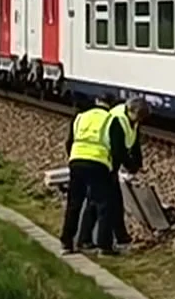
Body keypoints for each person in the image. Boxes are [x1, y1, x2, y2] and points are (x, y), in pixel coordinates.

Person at [59, 96, 133, 256]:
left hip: (76, 162)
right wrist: (117, 167)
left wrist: (74, 158)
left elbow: (69, 142)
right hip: (98, 164)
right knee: (103, 205)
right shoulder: (111, 120)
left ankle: (66, 242)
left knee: (74, 204)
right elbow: (117, 149)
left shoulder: (80, 117)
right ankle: (104, 246)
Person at [100, 95, 149, 249]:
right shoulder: (118, 120)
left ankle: (120, 238)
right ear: (131, 111)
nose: (138, 121)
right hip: (104, 163)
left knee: (113, 202)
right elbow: (118, 150)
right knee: (108, 203)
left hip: (109, 165)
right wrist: (130, 166)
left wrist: (138, 163)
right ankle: (105, 243)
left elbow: (134, 143)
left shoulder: (131, 119)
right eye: (138, 117)